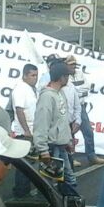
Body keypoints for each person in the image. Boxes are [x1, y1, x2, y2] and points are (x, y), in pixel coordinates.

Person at [33, 59, 78, 196]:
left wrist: (68, 140)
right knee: (49, 183)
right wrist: (43, 150)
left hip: (61, 145)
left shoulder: (60, 94)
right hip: (51, 147)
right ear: (62, 77)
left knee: (67, 179)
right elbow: (41, 123)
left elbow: (63, 121)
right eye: (67, 76)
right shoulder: (47, 97)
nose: (68, 80)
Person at [7, 63, 40, 142]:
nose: (35, 78)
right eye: (33, 75)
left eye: (36, 75)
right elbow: (19, 110)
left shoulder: (33, 89)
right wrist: (26, 131)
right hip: (23, 134)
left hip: (34, 132)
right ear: (25, 76)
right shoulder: (20, 88)